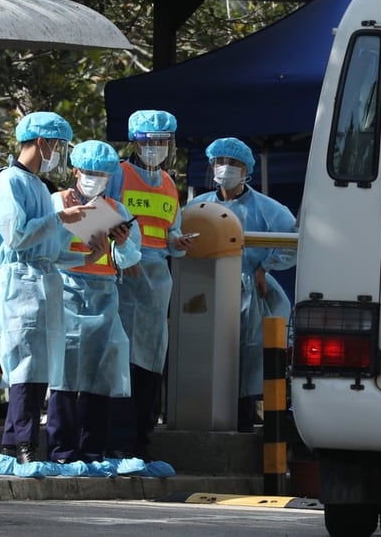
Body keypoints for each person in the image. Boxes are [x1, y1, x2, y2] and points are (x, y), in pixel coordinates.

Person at [0, 111, 95, 464]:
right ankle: (27, 449)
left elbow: (51, 251)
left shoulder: (38, 187)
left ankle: (9, 446)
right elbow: (18, 237)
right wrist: (61, 217)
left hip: (41, 282)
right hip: (18, 282)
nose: (60, 153)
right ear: (42, 142)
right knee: (26, 368)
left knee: (37, 368)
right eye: (59, 146)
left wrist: (86, 257)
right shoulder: (8, 183)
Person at [188, 137, 297, 432]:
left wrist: (265, 267)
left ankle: (244, 423)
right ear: (211, 166)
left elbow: (292, 243)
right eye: (220, 161)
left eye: (233, 163)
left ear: (247, 169)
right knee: (211, 358)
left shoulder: (268, 208)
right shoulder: (198, 206)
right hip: (208, 292)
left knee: (250, 359)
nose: (225, 168)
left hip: (253, 292)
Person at [105, 110, 193, 460]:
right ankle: (116, 444)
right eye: (147, 141)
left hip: (157, 282)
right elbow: (100, 216)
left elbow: (169, 231)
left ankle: (141, 443)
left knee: (150, 364)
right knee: (122, 361)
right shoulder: (118, 174)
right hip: (124, 278)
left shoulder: (170, 184)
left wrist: (178, 243)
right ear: (134, 141)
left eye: (162, 141)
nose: (155, 147)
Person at [47, 140, 142, 464]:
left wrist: (123, 243)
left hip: (103, 296)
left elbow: (130, 258)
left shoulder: (117, 210)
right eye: (89, 172)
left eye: (102, 174)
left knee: (100, 374)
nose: (95, 179)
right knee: (64, 373)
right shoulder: (57, 203)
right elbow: (45, 248)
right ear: (75, 171)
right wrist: (84, 249)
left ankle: (91, 450)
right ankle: (61, 449)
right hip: (66, 293)